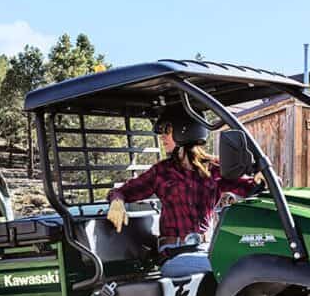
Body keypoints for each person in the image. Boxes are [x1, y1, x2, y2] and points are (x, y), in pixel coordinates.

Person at [106, 108, 260, 277]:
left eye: (167, 130)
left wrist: (261, 179)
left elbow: (249, 188)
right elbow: (123, 191)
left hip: (205, 248)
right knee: (229, 266)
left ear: (184, 130)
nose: (162, 137)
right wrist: (117, 201)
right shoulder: (161, 171)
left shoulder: (213, 169)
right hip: (173, 254)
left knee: (245, 262)